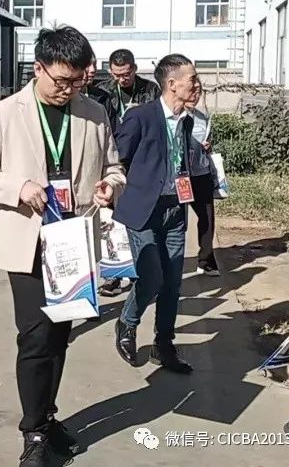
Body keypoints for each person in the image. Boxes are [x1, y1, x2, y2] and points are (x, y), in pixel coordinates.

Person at [0, 25, 126, 467]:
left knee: (60, 336)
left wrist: (111, 187)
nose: (69, 90)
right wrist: (19, 187)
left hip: (76, 243)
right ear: (38, 68)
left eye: (77, 81)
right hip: (29, 243)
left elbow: (114, 167)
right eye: (61, 81)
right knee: (36, 338)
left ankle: (48, 417)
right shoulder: (3, 114)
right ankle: (33, 431)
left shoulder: (94, 112)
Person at [113, 54, 198, 374]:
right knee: (151, 276)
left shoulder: (187, 119)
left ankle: (164, 344)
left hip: (175, 208)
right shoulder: (141, 116)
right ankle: (127, 322)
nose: (197, 83)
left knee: (172, 282)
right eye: (192, 78)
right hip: (143, 210)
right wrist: (110, 190)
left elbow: (182, 160)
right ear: (172, 84)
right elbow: (117, 159)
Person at [185, 81, 219, 276]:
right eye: (191, 91)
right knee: (177, 222)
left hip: (201, 173)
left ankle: (206, 259)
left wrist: (208, 146)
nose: (194, 96)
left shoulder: (202, 116)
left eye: (198, 92)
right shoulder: (172, 116)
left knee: (207, 217)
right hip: (180, 177)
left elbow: (208, 140)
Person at [95, 48, 161, 135]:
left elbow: (158, 118)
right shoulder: (102, 90)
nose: (122, 79)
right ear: (111, 71)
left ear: (135, 69)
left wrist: (142, 112)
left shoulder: (151, 89)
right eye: (117, 75)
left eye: (126, 75)